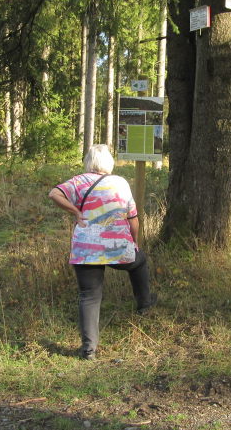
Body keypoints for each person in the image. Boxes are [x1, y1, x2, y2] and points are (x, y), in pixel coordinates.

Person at [48, 144, 156, 360]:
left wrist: (76, 211)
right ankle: (145, 304)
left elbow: (54, 194)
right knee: (139, 261)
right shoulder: (120, 183)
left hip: (86, 248)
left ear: (88, 162)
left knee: (89, 296)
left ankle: (89, 351)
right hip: (116, 246)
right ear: (109, 163)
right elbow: (132, 218)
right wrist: (134, 243)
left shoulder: (78, 181)